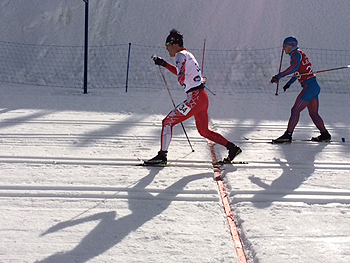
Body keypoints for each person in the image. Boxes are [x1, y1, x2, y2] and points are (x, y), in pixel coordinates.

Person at [144, 29, 241, 166]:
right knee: (204, 131)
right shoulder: (187, 54)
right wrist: (164, 64)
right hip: (202, 98)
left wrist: (181, 78)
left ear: (174, 43)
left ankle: (162, 156)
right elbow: (182, 71)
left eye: (167, 44)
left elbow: (181, 73)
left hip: (194, 99)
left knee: (167, 122)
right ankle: (232, 148)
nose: (166, 48)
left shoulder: (179, 55)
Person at [270, 36, 331, 144]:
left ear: (292, 45)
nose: (284, 49)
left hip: (309, 87)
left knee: (295, 110)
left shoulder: (295, 54)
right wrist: (289, 83)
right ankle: (325, 135)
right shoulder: (299, 53)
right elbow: (297, 71)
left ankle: (287, 136)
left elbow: (294, 67)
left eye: (285, 46)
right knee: (313, 113)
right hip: (313, 86)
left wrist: (279, 76)